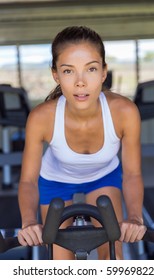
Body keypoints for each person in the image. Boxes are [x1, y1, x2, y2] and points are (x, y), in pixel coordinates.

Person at [17, 26, 146, 260]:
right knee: (60, 264)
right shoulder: (41, 117)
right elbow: (27, 180)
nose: (80, 82)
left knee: (113, 256)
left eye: (91, 69)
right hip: (55, 182)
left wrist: (135, 217)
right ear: (55, 75)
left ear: (104, 72)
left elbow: (132, 174)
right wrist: (28, 222)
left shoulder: (124, 112)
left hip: (103, 177)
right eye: (68, 71)